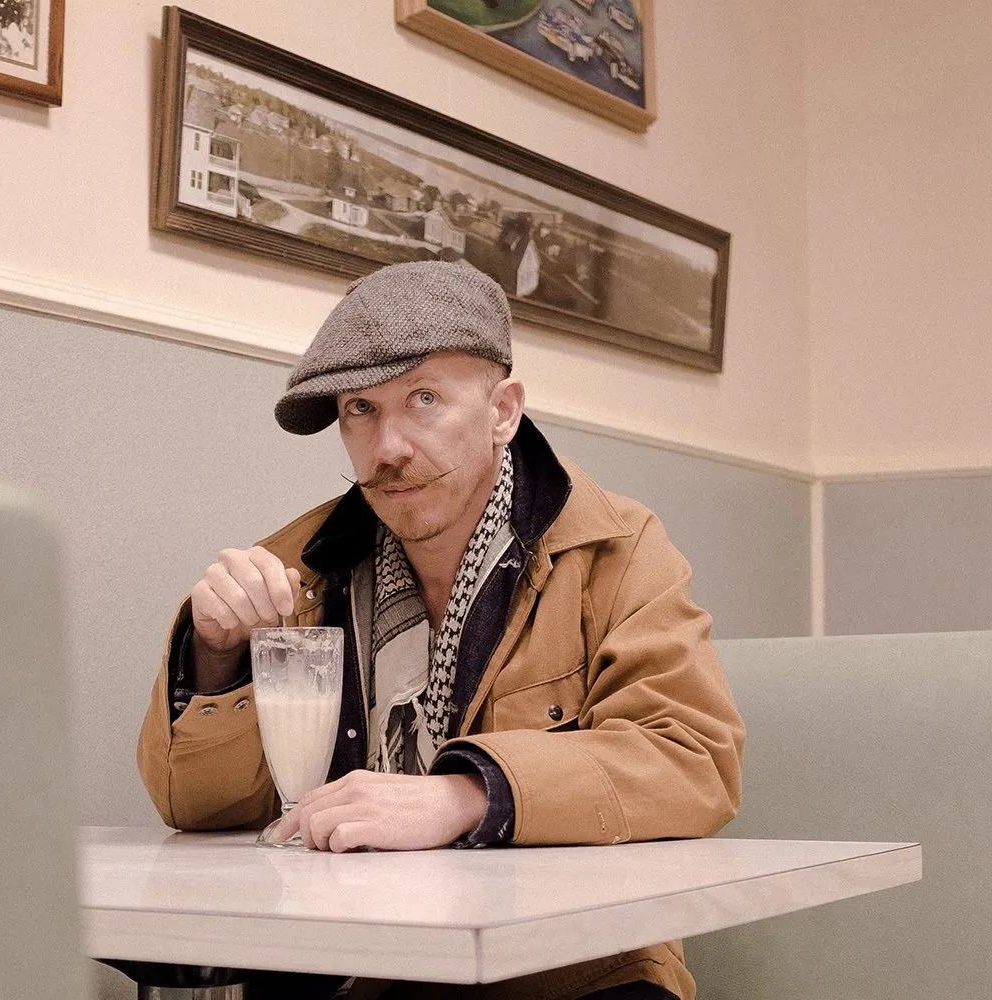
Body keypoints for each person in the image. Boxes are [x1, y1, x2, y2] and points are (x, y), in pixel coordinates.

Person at [134, 261, 745, 999]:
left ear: (503, 411)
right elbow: (193, 810)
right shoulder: (297, 571)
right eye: (360, 409)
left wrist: (465, 796)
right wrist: (216, 657)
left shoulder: (616, 550)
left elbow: (692, 760)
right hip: (346, 972)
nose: (388, 446)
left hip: (566, 977)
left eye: (423, 399)